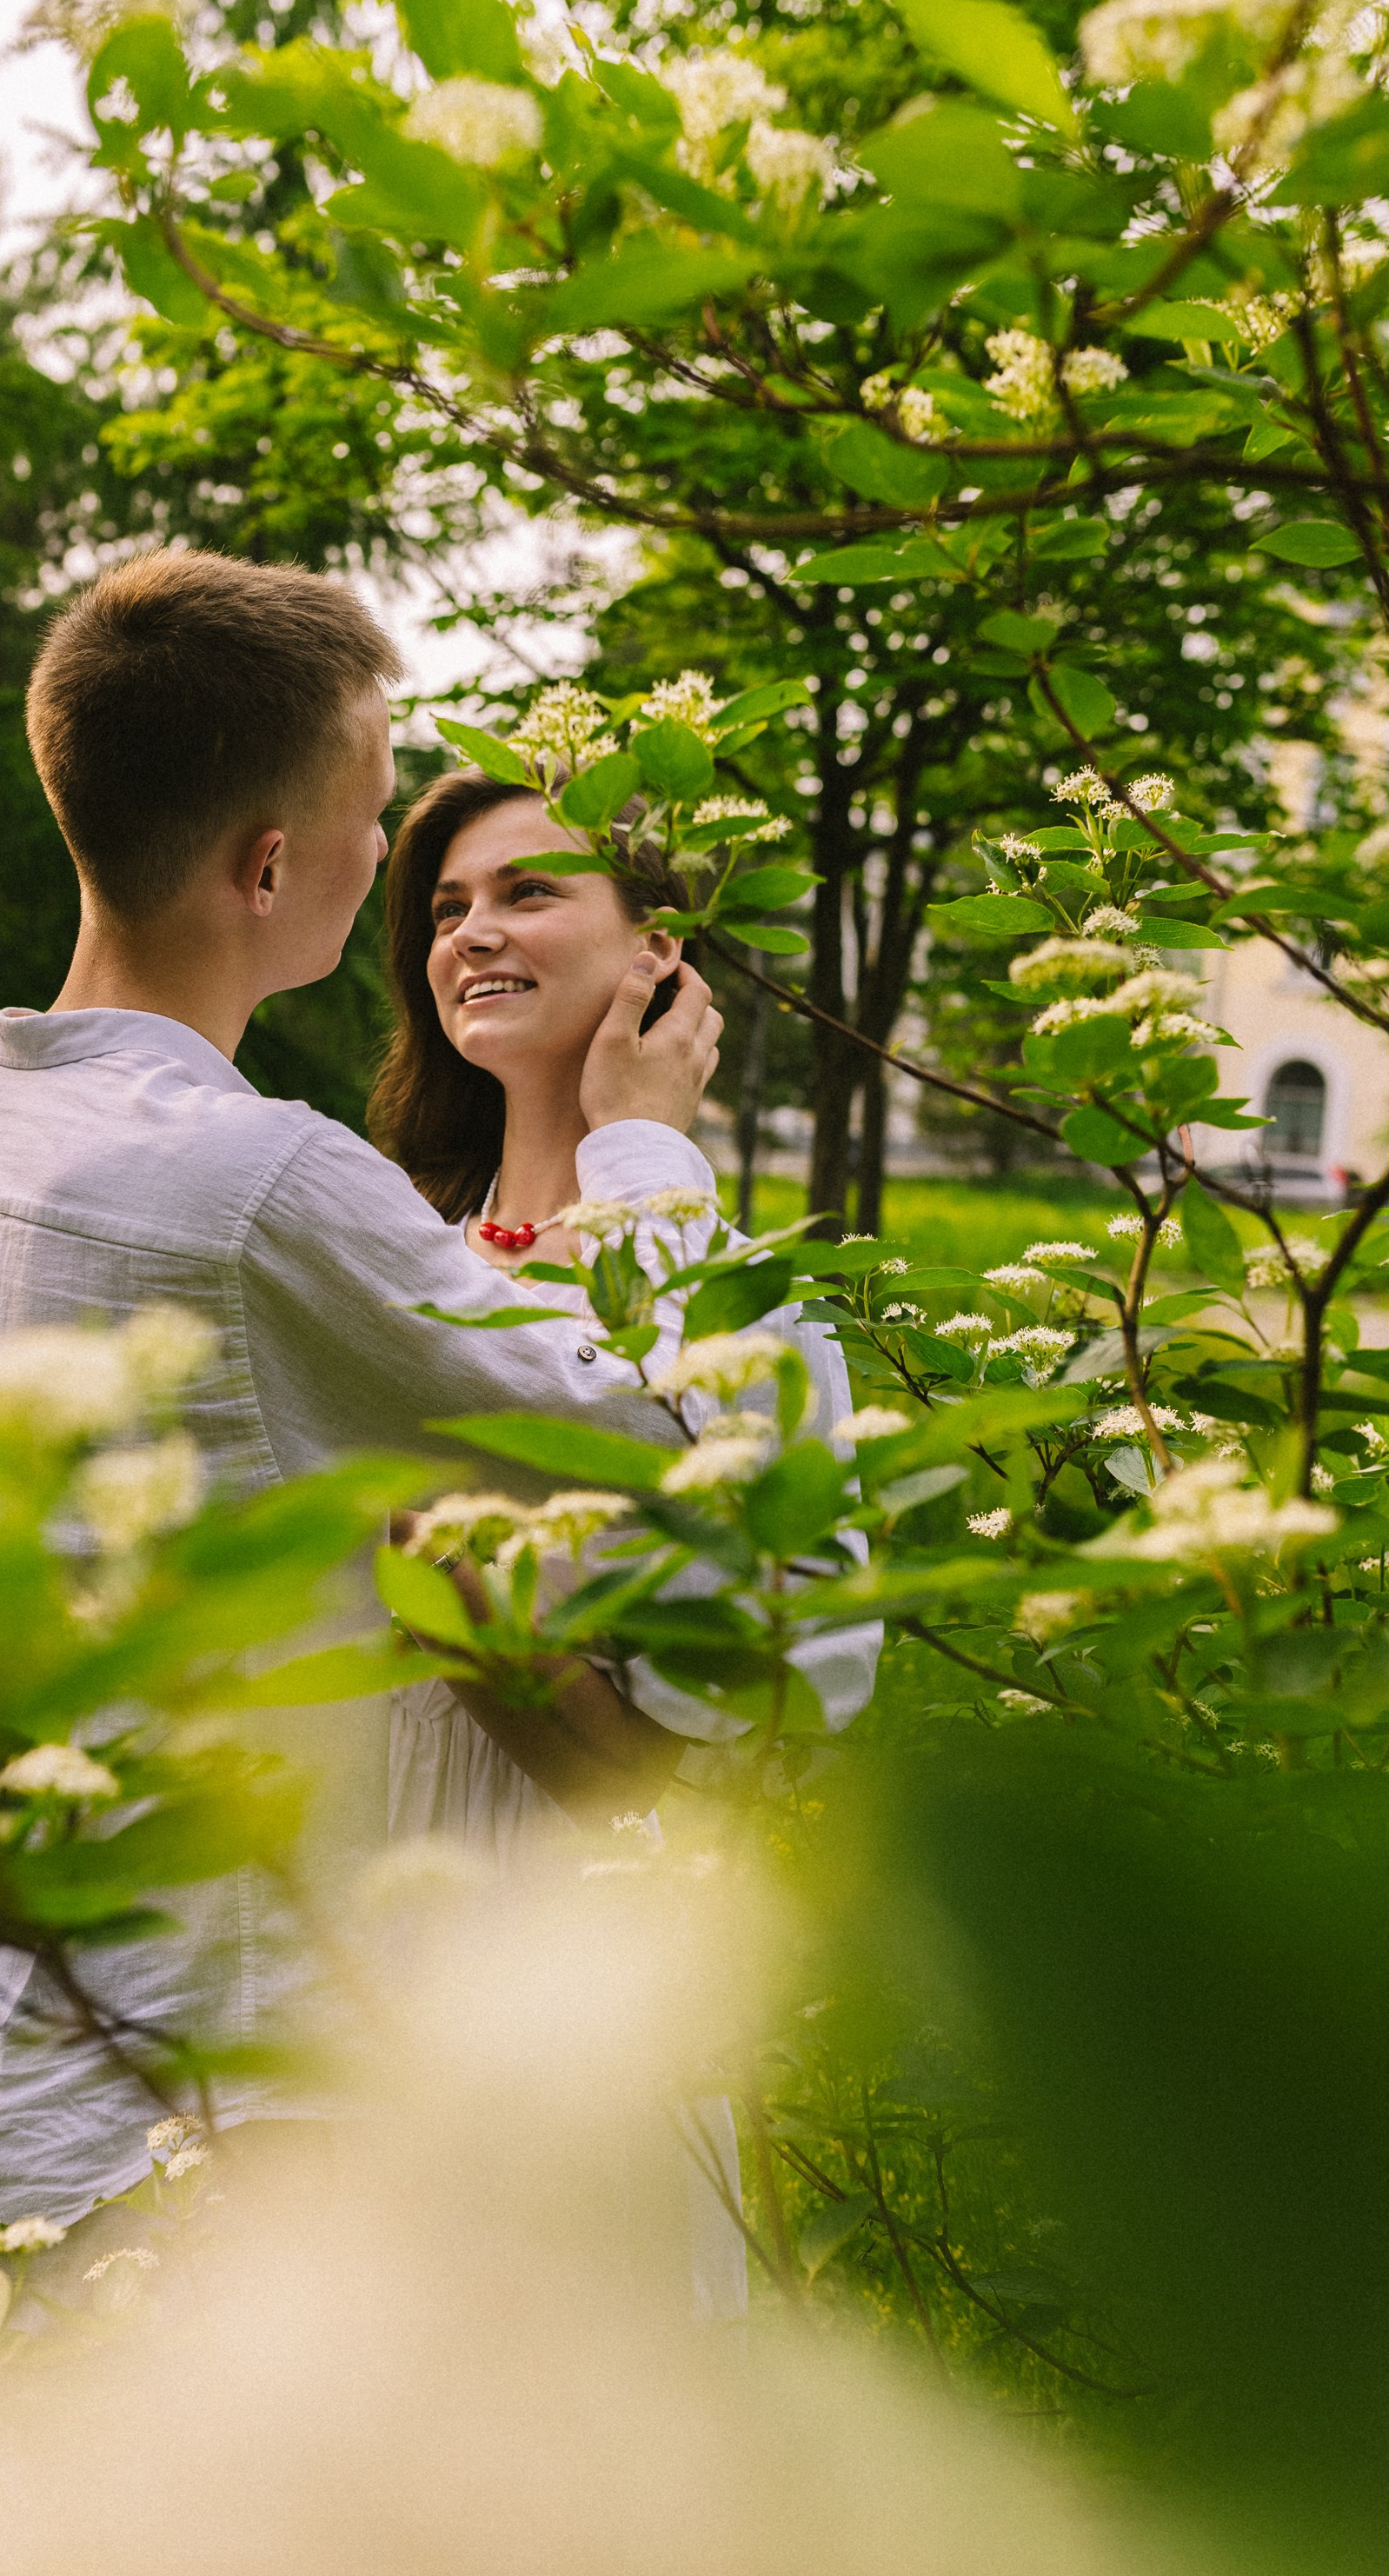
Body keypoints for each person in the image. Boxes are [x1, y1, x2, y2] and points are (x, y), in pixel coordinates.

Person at [0, 552, 725, 2451]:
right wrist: (648, 1150)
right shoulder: (258, 1187)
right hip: (170, 2108)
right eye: (377, 820)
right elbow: (639, 1436)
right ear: (269, 868)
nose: (398, 860)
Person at [366, 768, 884, 2326]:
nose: (472, 934)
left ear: (658, 954)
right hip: (341, 1933)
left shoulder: (733, 1294)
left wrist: (643, 1146)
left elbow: (762, 1668)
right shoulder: (380, 1253)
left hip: (572, 1959)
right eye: (446, 908)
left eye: (529, 892)